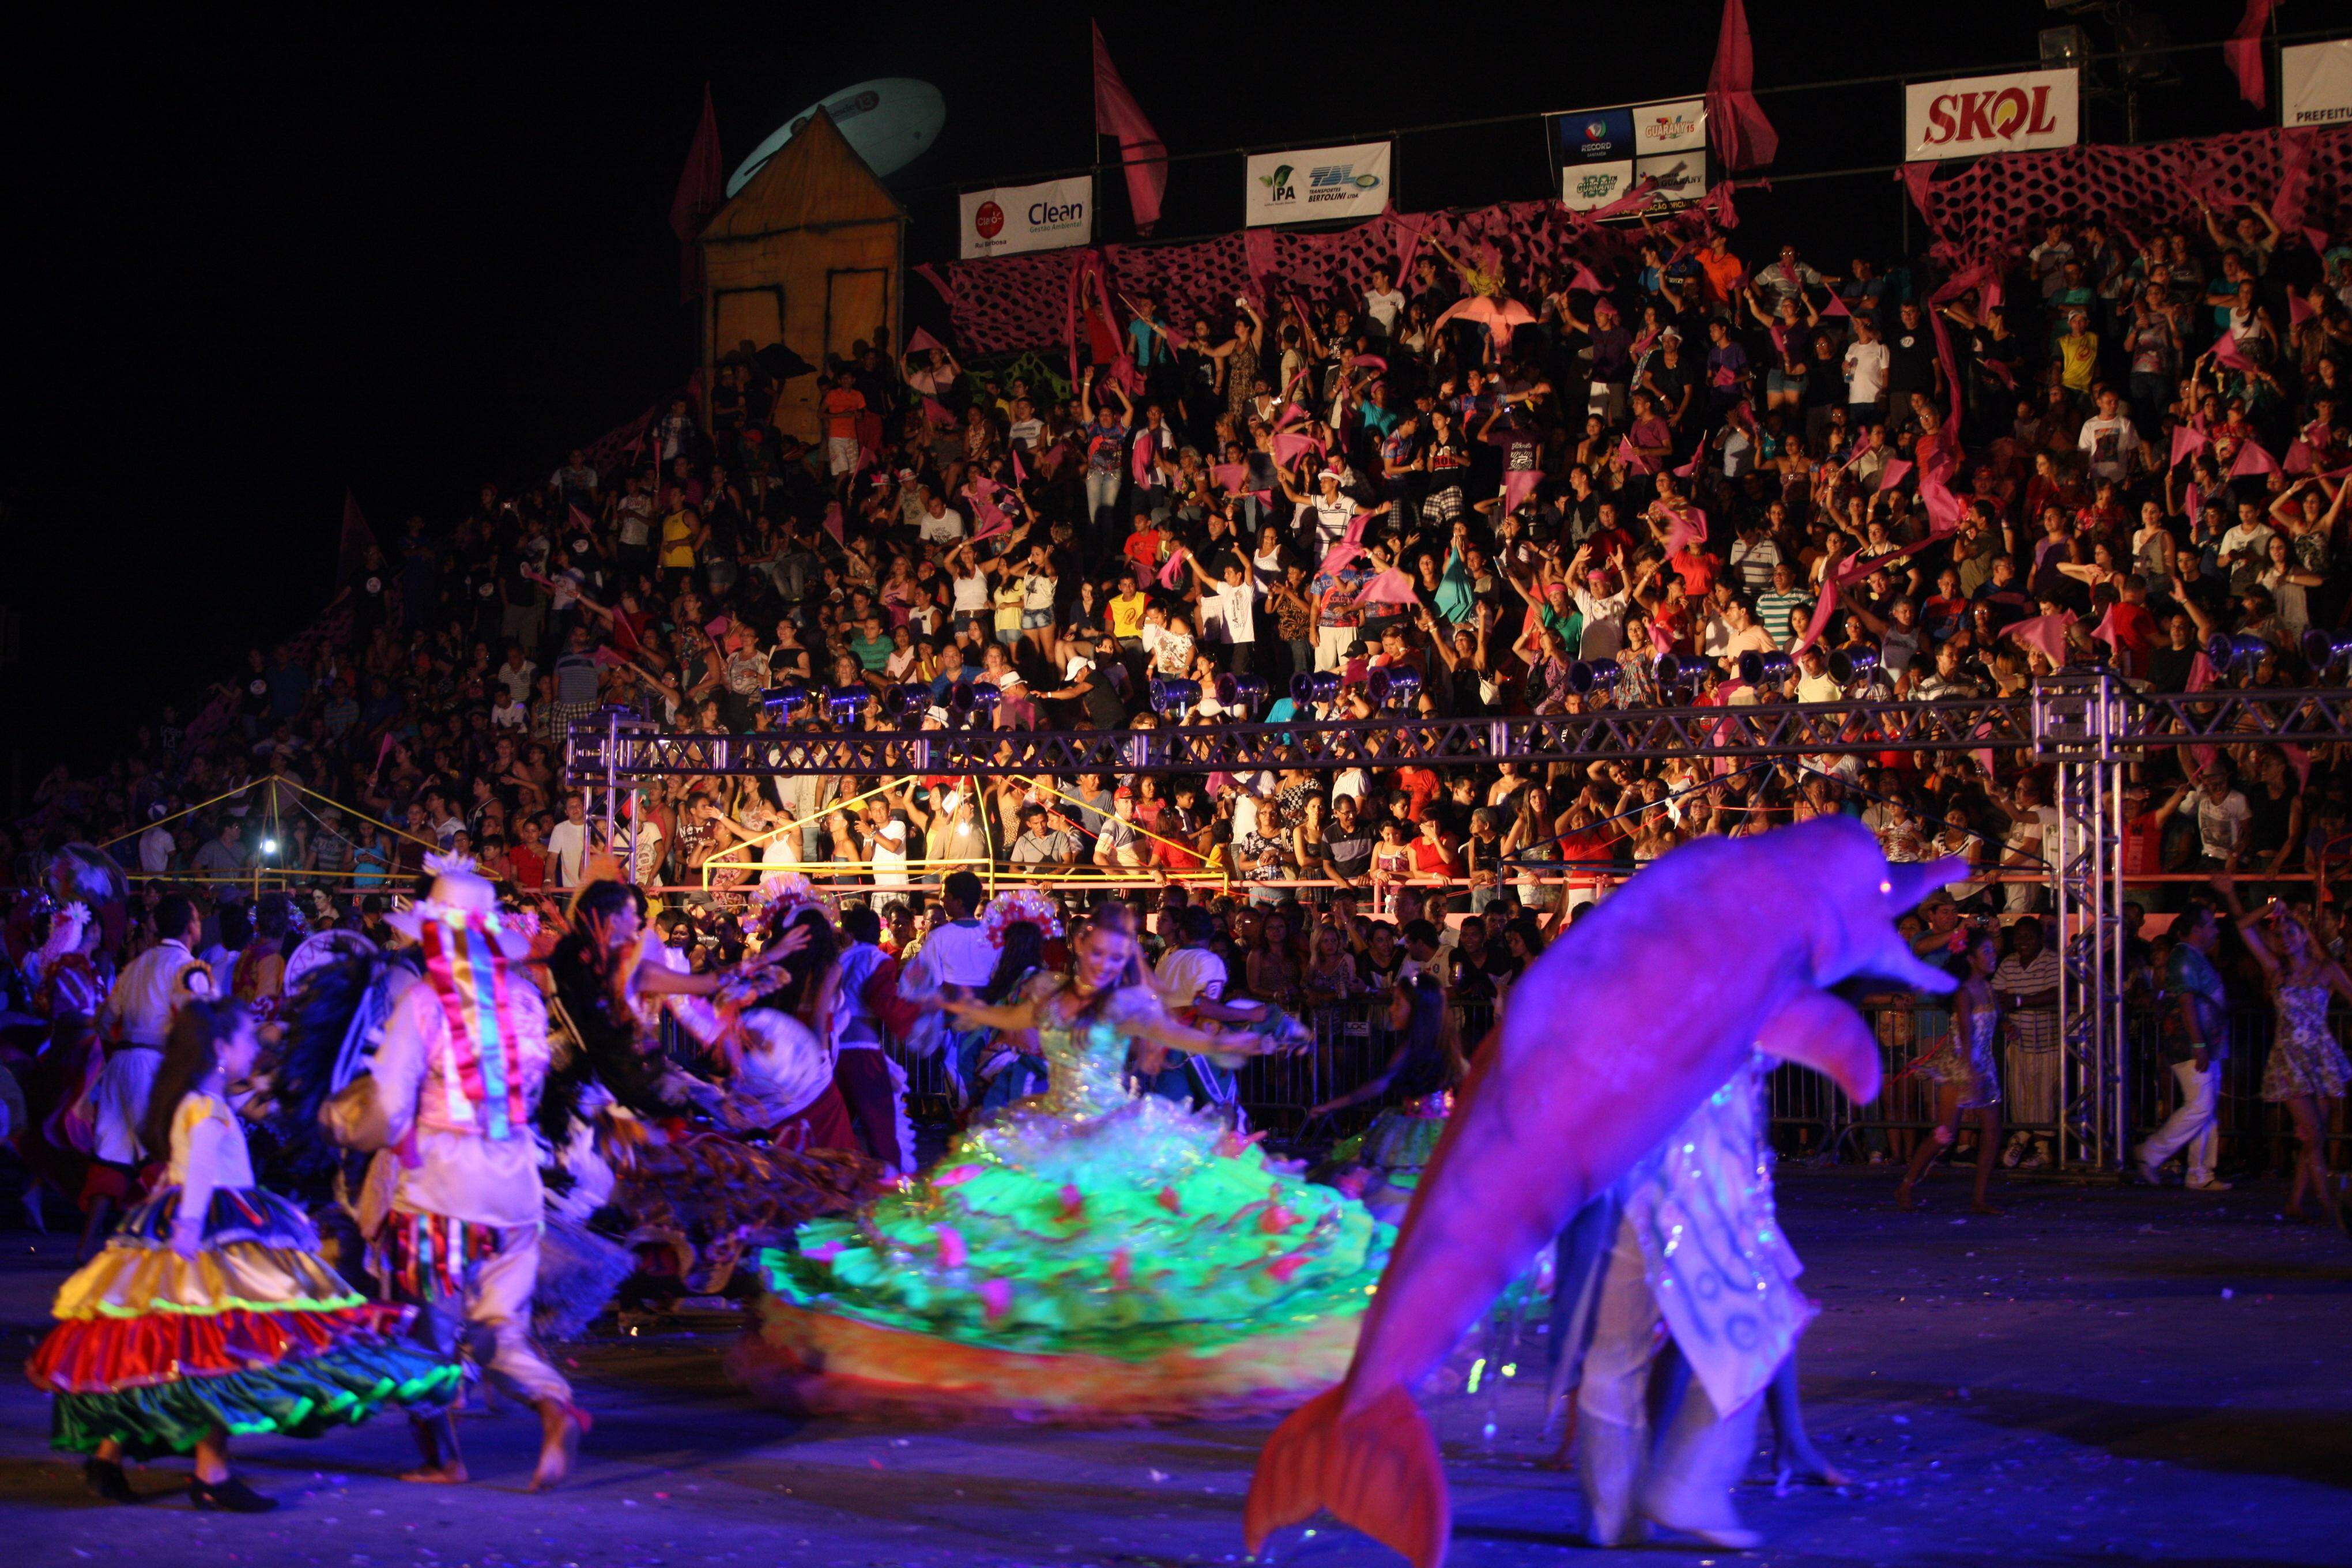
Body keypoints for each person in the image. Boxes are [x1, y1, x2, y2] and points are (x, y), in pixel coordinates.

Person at [734, 903, 1383, 1420]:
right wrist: (950, 1005)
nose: (1104, 963)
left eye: (1116, 956)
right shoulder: (1047, 994)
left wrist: (1254, 1036)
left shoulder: (1128, 1004)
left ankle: (1119, 1351)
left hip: (1115, 1130)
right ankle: (1031, 1348)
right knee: (1017, 1244)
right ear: (1078, 946)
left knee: (1118, 1242)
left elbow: (1185, 1036)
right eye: (1097, 951)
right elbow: (1006, 1018)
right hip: (1044, 1128)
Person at [28, 1000, 458, 1509]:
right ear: (219, 1050)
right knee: (219, 1352)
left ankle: (108, 1458)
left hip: (189, 1226)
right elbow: (202, 1171)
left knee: (165, 1351)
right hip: (214, 1233)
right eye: (246, 1039)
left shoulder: (197, 1100)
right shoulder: (206, 1109)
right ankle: (210, 1474)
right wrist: (188, 1230)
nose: (255, 1047)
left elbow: (193, 1154)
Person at [323, 855, 584, 1489]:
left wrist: (339, 1121)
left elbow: (386, 1108)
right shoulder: (524, 999)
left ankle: (444, 1457)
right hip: (516, 1188)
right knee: (501, 1324)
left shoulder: (424, 1002)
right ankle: (554, 1406)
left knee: (429, 1331)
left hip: (442, 1190)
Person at [78, 894, 213, 1259]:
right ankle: (169, 1242)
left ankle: (88, 1245)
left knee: (113, 1155)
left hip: (120, 1066)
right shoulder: (189, 968)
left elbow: (105, 1020)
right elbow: (198, 1022)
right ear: (189, 926)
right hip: (153, 1066)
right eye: (197, 916)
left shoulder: (136, 964)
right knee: (162, 1150)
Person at [2215, 878, 2352, 1234]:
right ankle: (2330, 1208)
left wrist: (2299, 920)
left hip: (2320, 1056)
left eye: (2292, 932)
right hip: (2289, 1060)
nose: (2285, 937)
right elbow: (2244, 927)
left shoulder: (2326, 971)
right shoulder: (2276, 970)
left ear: (2305, 934)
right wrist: (2270, 908)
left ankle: (2295, 1202)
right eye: (2280, 934)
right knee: (2311, 1133)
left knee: (2314, 1137)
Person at [1895, 926, 2003, 1213]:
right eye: (1987, 951)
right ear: (1970, 958)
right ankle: (1906, 1185)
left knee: (1992, 1132)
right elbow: (1966, 1037)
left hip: (1983, 1063)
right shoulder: (1965, 993)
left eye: (1993, 950)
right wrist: (1972, 1074)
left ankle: (1979, 1198)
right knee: (1945, 1133)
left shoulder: (1988, 988)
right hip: (1961, 1064)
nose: (1993, 956)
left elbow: (1987, 1027)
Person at [2134, 896, 2231, 1191]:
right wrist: (2199, 1045)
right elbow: (2187, 1001)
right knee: (2200, 1105)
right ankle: (2150, 1154)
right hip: (2191, 1044)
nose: (2215, 930)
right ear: (2195, 929)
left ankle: (2200, 1173)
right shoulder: (2184, 957)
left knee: (2206, 1107)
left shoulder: (2194, 956)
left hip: (2205, 1043)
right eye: (2210, 925)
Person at [1992, 917, 2060, 1170]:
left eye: (2028, 937)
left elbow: (2057, 992)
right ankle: (2021, 1138)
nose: (2022, 942)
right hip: (2018, 1042)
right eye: (2018, 937)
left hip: (2048, 1041)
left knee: (2044, 1096)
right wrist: (2004, 1021)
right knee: (2020, 1094)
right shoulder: (2009, 963)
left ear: (2040, 938)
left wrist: (2020, 1001)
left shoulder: (2051, 961)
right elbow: (1995, 994)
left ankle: (2043, 1148)